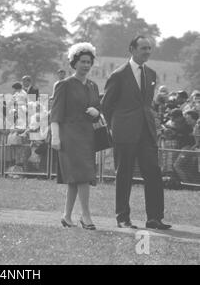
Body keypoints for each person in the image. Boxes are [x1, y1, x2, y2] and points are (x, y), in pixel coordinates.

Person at [101, 35, 172, 230]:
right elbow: (106, 105)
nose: (147, 52)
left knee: (154, 173)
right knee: (124, 174)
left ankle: (154, 218)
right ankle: (123, 218)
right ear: (132, 49)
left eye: (149, 48)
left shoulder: (151, 74)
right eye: (143, 48)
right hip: (124, 132)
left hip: (146, 131)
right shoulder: (118, 74)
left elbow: (147, 104)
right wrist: (115, 126)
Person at [50, 42, 100, 230]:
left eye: (89, 62)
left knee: (75, 178)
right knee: (83, 176)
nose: (86, 65)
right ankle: (86, 216)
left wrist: (97, 111)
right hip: (69, 134)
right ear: (74, 63)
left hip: (88, 135)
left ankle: (67, 216)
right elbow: (55, 113)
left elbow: (98, 106)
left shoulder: (93, 86)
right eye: (82, 62)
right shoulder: (64, 85)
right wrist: (55, 137)